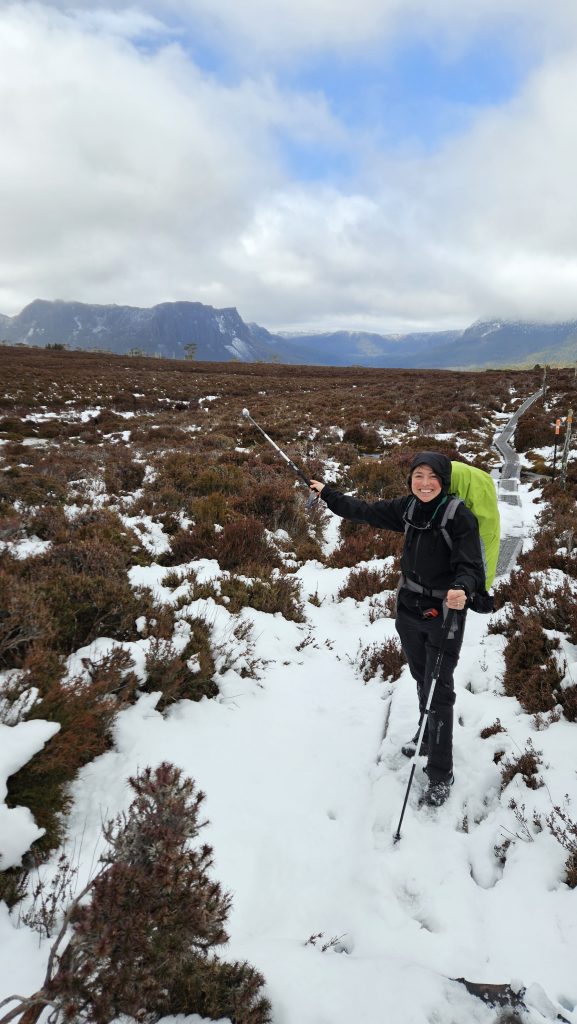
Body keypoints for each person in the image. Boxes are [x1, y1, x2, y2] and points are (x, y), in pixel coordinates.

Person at [309, 451, 486, 807]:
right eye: (417, 476)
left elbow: (471, 566)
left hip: (444, 613)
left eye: (431, 477)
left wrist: (462, 589)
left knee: (440, 689)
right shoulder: (407, 508)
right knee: (422, 678)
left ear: (444, 480)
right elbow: (365, 511)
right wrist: (328, 493)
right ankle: (426, 733)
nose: (424, 483)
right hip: (408, 607)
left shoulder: (459, 517)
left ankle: (440, 772)